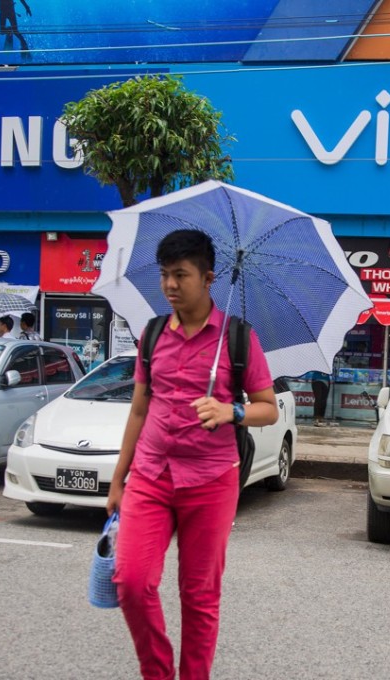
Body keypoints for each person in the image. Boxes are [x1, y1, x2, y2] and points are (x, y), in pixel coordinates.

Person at [107, 229, 278, 680]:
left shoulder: (238, 338)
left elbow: (268, 409)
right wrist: (118, 479)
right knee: (132, 582)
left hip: (211, 478)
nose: (170, 285)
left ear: (208, 278)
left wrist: (230, 410)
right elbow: (140, 408)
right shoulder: (152, 333)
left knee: (199, 594)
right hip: (151, 474)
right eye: (165, 275)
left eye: (180, 275)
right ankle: (158, 673)